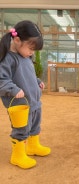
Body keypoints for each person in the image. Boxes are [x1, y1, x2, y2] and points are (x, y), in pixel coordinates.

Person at [0, 20, 51, 169]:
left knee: (35, 125)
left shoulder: (26, 57)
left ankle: (33, 146)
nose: (32, 53)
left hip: (34, 102)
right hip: (20, 105)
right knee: (21, 129)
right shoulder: (7, 59)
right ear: (17, 40)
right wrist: (14, 90)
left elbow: (28, 75)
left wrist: (37, 81)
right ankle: (17, 155)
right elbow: (2, 80)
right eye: (31, 48)